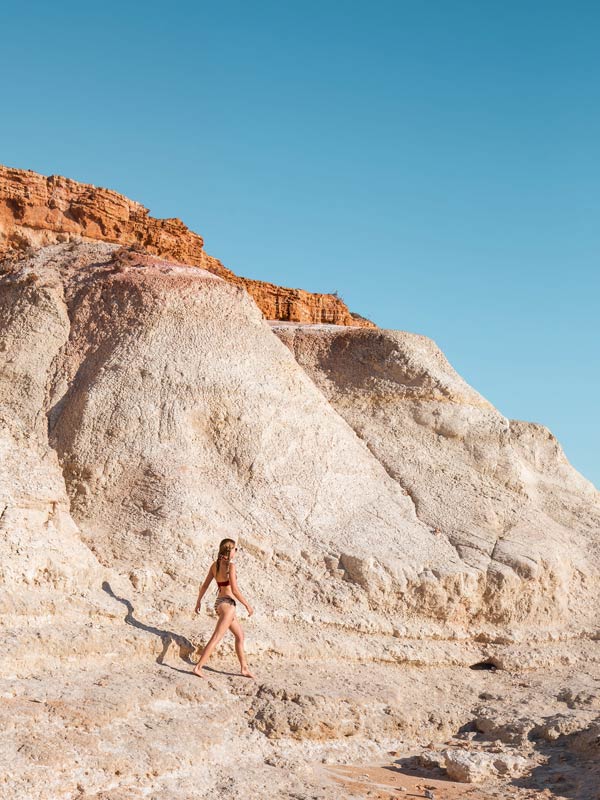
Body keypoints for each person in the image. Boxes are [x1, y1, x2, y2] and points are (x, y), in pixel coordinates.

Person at [193, 538, 256, 680]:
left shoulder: (214, 566)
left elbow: (204, 586)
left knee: (240, 636)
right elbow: (235, 589)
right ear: (230, 550)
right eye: (235, 549)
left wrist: (198, 602)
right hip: (228, 605)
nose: (236, 551)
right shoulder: (231, 566)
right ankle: (198, 667)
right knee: (216, 637)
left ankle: (244, 668)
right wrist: (247, 605)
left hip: (219, 603)